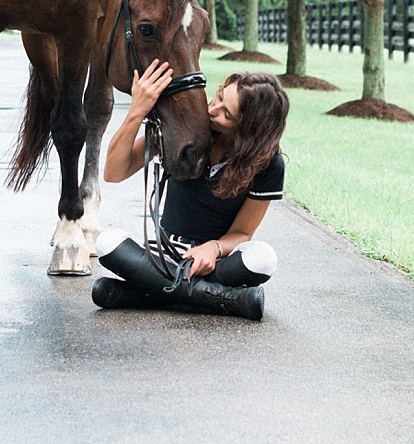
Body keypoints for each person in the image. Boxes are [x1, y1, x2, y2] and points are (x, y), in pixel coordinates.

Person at [91, 59, 290, 320]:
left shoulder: (268, 165)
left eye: (226, 114)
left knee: (264, 258)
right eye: (219, 96)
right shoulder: (186, 129)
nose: (212, 110)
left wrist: (213, 249)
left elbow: (242, 233)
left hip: (216, 265)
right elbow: (114, 172)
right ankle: (221, 299)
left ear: (248, 132)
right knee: (106, 242)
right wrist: (136, 112)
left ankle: (143, 294)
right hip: (165, 256)